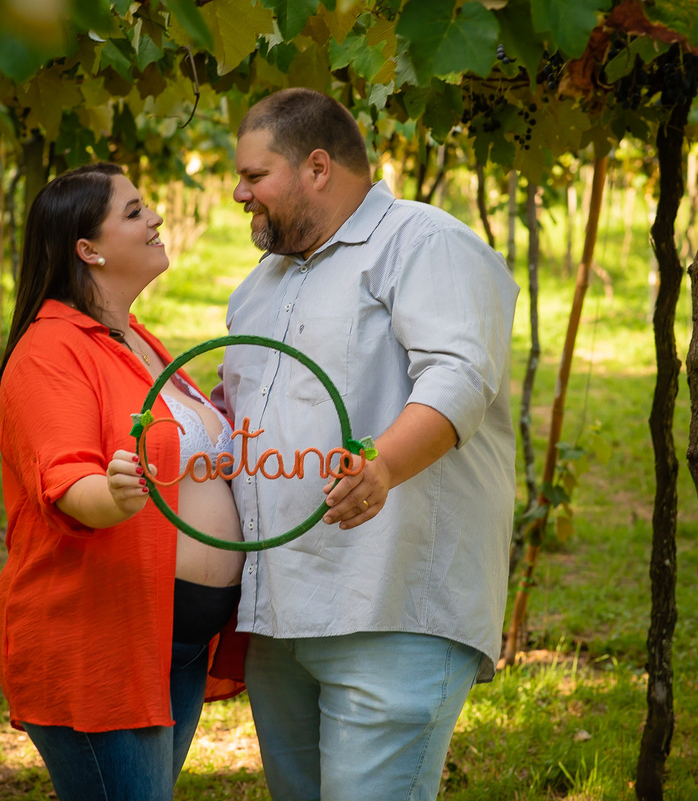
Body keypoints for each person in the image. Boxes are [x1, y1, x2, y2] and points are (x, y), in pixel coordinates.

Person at [215, 88, 519, 800]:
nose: (238, 193)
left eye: (254, 175)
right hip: (280, 618)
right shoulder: (261, 285)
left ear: (317, 167)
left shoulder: (423, 241)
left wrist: (382, 463)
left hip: (390, 608)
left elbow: (460, 373)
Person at [0, 162, 246, 801]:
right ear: (88, 250)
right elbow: (67, 481)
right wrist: (114, 495)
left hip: (173, 641)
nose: (156, 216)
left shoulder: (133, 339)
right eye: (133, 211)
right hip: (99, 640)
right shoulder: (50, 349)